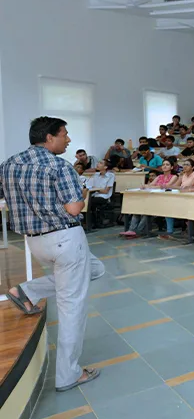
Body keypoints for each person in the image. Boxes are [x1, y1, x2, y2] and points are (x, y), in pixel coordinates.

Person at [0, 116, 107, 392]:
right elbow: (74, 208)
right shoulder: (59, 166)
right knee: (72, 306)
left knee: (96, 269)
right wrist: (82, 193)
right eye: (64, 134)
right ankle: (68, 374)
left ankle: (26, 291)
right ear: (49, 138)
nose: (68, 140)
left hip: (35, 242)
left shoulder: (9, 164)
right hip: (65, 239)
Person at [84, 159, 115, 229]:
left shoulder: (111, 175)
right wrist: (97, 189)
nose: (98, 164)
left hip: (104, 197)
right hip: (94, 195)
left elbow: (106, 191)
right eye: (98, 163)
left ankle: (94, 222)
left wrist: (97, 189)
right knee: (85, 200)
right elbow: (90, 186)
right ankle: (90, 222)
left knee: (90, 202)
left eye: (100, 163)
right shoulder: (95, 175)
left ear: (105, 167)